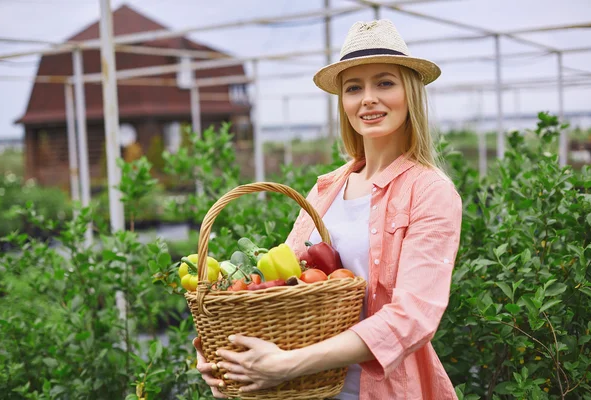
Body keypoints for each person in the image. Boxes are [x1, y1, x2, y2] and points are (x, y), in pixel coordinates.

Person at [194, 19, 463, 399]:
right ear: (344, 103)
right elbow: (286, 291)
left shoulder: (430, 192)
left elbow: (412, 318)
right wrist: (232, 362)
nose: (368, 98)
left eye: (384, 82)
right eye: (354, 88)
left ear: (410, 92)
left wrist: (288, 363)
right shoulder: (325, 189)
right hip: (305, 390)